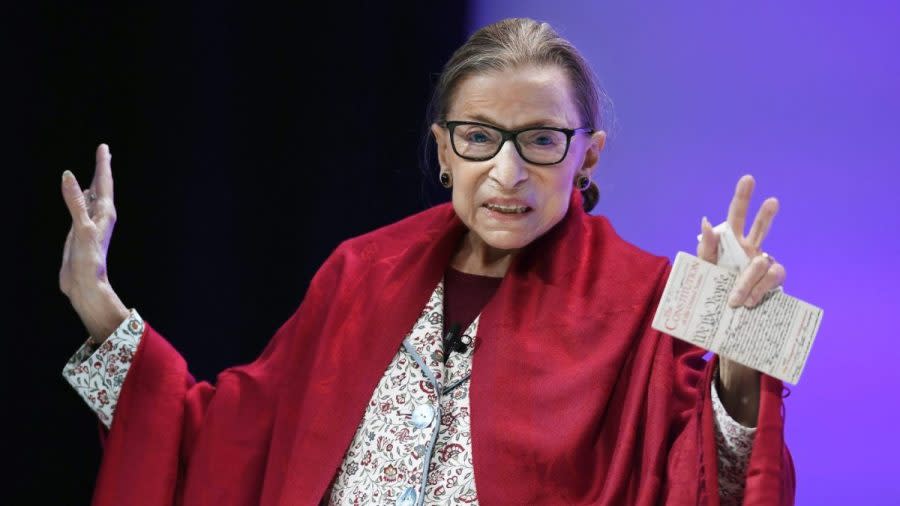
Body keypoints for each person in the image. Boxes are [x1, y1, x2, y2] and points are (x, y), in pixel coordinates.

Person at [59, 18, 793, 506]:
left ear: (587, 155)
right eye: (480, 137)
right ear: (445, 149)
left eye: (540, 140)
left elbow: (709, 484)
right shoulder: (361, 274)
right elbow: (221, 440)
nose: (507, 173)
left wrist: (742, 354)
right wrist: (98, 303)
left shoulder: (647, 294)